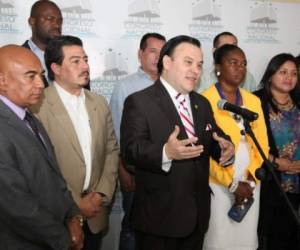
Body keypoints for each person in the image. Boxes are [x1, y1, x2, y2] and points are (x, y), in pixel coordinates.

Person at [120, 35, 235, 250]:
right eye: (188, 62)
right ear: (167, 62)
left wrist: (225, 149)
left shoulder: (202, 103)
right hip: (158, 219)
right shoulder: (139, 102)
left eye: (200, 65)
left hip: (197, 217)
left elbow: (214, 137)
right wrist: (165, 152)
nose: (195, 70)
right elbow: (130, 151)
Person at [32, 35, 119, 250]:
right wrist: (76, 204)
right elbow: (41, 166)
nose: (85, 66)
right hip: (57, 217)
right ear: (56, 68)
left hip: (96, 215)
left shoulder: (98, 102)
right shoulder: (38, 107)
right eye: (75, 61)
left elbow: (111, 150)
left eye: (86, 59)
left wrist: (100, 195)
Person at [0, 44, 84, 250]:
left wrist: (73, 216)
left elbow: (55, 177)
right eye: (31, 76)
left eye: (41, 75)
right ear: (2, 80)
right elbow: (15, 204)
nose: (40, 84)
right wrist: (64, 239)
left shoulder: (29, 117)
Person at [201, 44, 269, 250]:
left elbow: (262, 143)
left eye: (244, 64)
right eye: (233, 63)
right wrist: (231, 183)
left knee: (245, 241)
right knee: (218, 240)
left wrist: (251, 178)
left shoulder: (253, 100)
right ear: (218, 67)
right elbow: (205, 151)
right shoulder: (204, 101)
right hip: (217, 183)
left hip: (250, 180)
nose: (240, 68)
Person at [109, 32, 166, 250]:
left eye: (162, 53)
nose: (157, 57)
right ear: (140, 54)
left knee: (161, 230)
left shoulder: (172, 86)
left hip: (165, 171)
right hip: (135, 172)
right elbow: (115, 133)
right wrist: (123, 170)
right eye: (152, 51)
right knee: (133, 228)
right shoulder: (124, 86)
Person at [254, 53, 300, 250]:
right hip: (270, 183)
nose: (289, 77)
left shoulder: (299, 101)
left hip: (297, 182)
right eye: (283, 72)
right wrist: (275, 161)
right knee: (271, 238)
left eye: (294, 73)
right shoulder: (255, 101)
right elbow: (248, 141)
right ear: (270, 75)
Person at [22, 0, 62, 87]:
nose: (57, 25)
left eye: (59, 21)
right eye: (49, 19)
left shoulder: (69, 56)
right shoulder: (17, 57)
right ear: (32, 21)